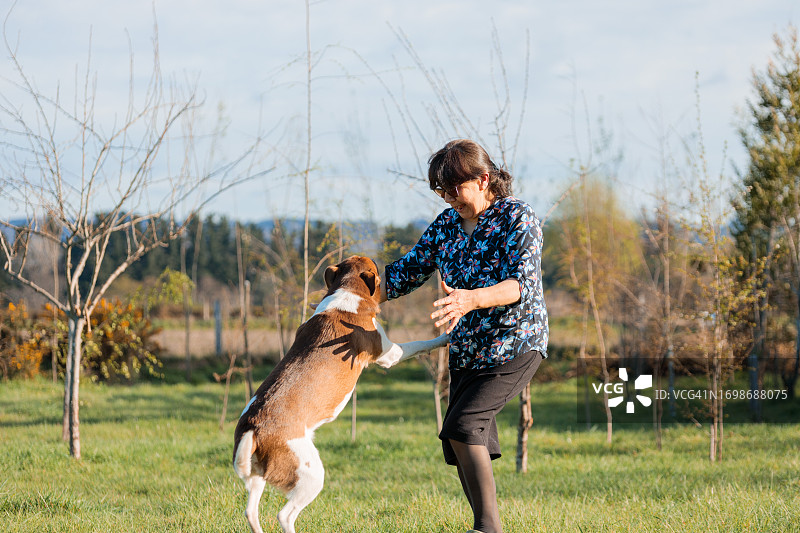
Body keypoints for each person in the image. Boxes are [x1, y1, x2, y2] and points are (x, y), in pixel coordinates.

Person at [380, 139, 548, 533]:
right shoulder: (446, 226)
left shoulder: (518, 219)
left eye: (454, 187)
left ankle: (488, 529)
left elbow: (520, 285)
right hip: (468, 349)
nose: (447, 197)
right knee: (461, 438)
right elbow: (404, 273)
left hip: (515, 342)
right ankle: (485, 526)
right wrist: (351, 293)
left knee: (463, 425)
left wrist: (471, 299)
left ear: (483, 178)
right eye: (440, 190)